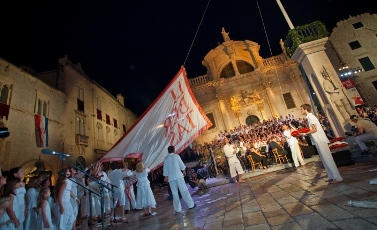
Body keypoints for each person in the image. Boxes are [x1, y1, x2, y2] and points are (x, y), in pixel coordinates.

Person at [301, 104, 343, 184]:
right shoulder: (309, 118)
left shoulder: (311, 117)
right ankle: (331, 176)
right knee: (324, 160)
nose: (301, 111)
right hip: (317, 140)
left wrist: (304, 134)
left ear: (306, 109)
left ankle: (337, 177)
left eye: (302, 109)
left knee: (328, 159)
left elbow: (314, 129)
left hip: (320, 140)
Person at [163, 146, 196, 213]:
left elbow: (165, 168)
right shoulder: (177, 156)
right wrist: (183, 170)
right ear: (174, 150)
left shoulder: (166, 158)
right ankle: (191, 205)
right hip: (178, 176)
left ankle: (177, 209)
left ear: (168, 151)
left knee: (174, 193)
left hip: (171, 178)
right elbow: (181, 165)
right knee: (184, 190)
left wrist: (166, 176)